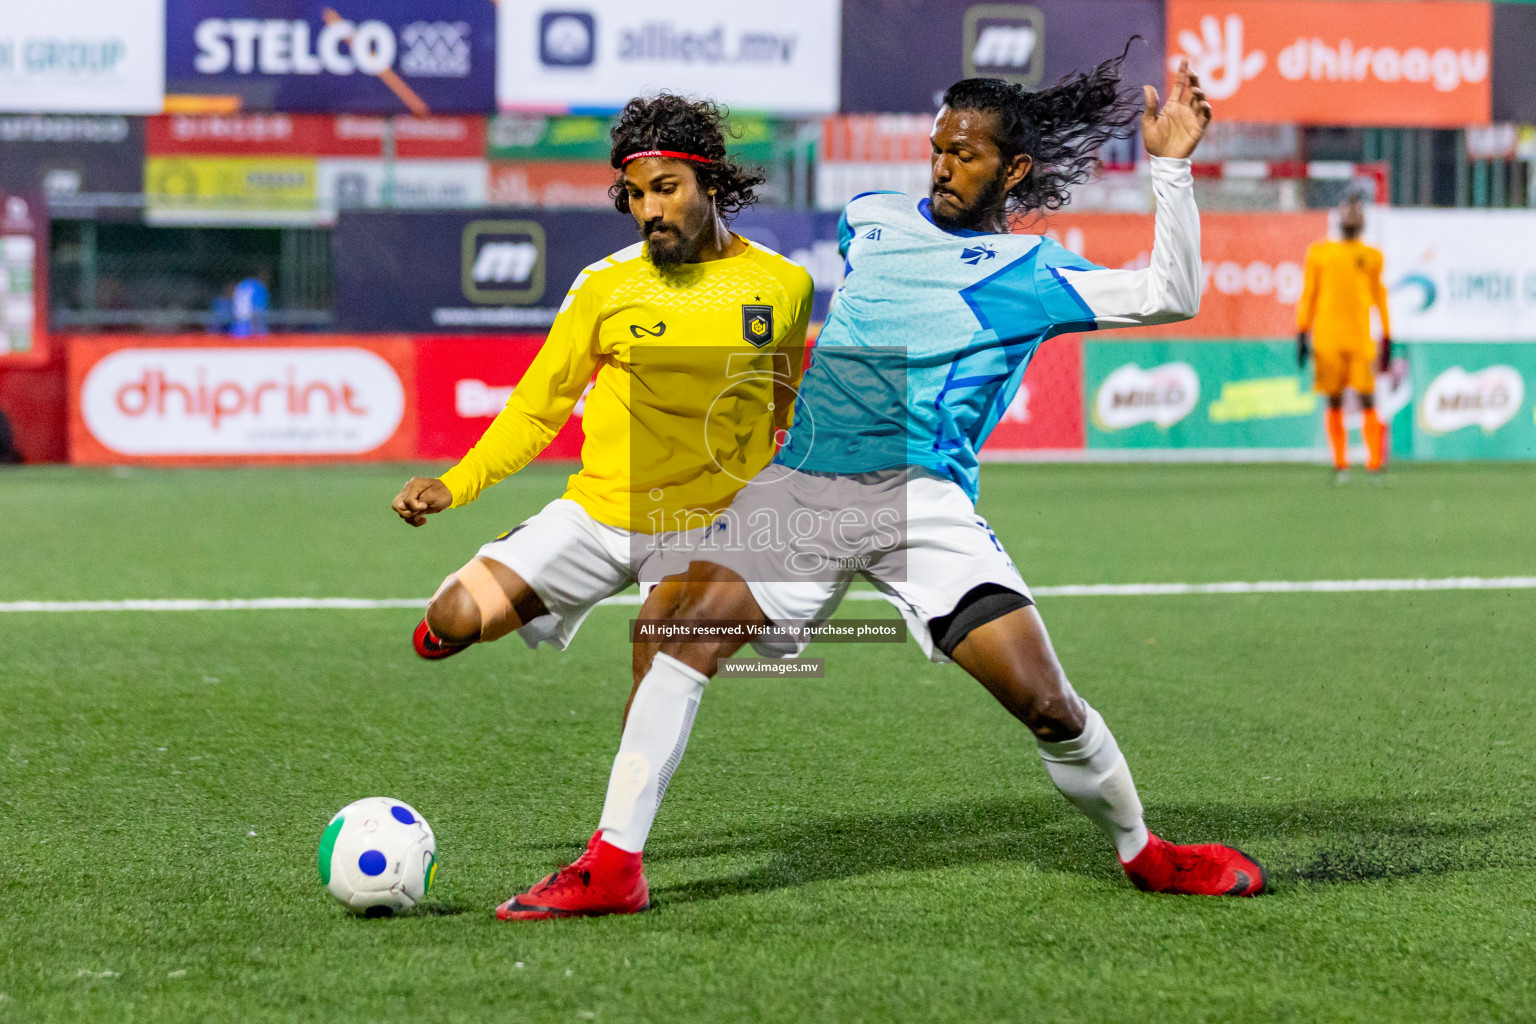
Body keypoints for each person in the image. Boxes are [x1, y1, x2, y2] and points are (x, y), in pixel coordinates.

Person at [495, 57, 1269, 922]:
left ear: (1013, 171)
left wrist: (1170, 167)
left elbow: (1172, 293)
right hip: (806, 486)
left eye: (965, 156)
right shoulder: (871, 219)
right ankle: (613, 866)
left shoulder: (1030, 273)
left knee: (1049, 707)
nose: (941, 167)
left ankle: (1146, 853)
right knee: (674, 629)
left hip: (922, 504)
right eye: (938, 149)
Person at [391, 95, 813, 699]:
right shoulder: (604, 285)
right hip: (599, 515)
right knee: (454, 616)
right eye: (637, 194)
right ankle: (486, 597)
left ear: (711, 181)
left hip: (702, 527)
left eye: (666, 188)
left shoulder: (783, 284)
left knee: (659, 657)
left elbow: (782, 402)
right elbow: (538, 409)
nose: (649, 210)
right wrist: (456, 484)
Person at [1296, 196, 1393, 481]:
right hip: (1327, 339)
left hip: (1361, 338)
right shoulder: (1319, 253)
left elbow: (1380, 297)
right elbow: (1309, 295)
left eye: (1356, 214)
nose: (1351, 219)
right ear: (1339, 220)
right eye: (1347, 213)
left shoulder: (1372, 255)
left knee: (1367, 397)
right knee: (1334, 399)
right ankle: (1341, 464)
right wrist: (1302, 331)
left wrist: (1387, 335)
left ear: (1362, 222)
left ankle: (1375, 462)